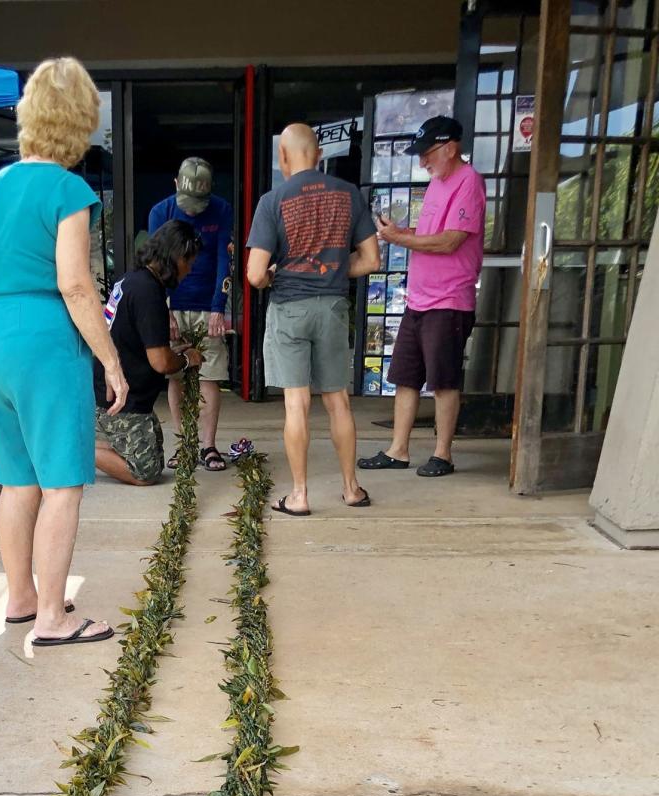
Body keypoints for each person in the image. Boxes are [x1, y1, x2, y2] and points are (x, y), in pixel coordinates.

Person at [0, 57, 128, 647]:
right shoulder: (69, 189)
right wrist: (111, 360)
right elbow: (76, 283)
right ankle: (54, 620)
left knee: (17, 480)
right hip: (44, 333)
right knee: (62, 482)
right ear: (79, 120)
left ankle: (21, 599)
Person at [246, 123, 380, 515]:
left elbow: (255, 275)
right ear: (318, 155)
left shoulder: (274, 201)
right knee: (337, 401)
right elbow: (371, 259)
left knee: (296, 405)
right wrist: (334, 271)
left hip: (289, 308)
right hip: (334, 308)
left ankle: (300, 495)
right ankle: (351, 488)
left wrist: (275, 274)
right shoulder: (349, 195)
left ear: (283, 157)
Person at [358, 116, 485, 478]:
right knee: (406, 376)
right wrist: (404, 232)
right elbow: (431, 233)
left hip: (449, 300)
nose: (422, 162)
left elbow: (451, 240)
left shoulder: (469, 182)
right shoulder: (438, 183)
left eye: (427, 154)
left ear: (450, 148)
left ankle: (442, 454)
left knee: (444, 380)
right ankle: (398, 449)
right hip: (419, 299)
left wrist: (401, 240)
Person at [95, 221, 204, 487]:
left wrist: (173, 351)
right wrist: (189, 358)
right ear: (176, 257)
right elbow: (160, 362)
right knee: (144, 473)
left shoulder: (132, 279)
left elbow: (137, 343)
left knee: (155, 454)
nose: (189, 271)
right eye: (188, 263)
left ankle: (94, 438)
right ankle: (76, 448)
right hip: (120, 400)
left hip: (115, 390)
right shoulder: (148, 292)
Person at [149, 158, 233, 474]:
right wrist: (165, 308)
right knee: (176, 375)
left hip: (206, 304)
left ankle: (208, 445)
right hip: (174, 304)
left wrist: (218, 307)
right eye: (189, 204)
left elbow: (225, 261)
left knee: (211, 375)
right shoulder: (162, 211)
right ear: (175, 185)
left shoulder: (222, 210)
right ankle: (184, 443)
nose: (194, 211)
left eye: (200, 204)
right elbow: (155, 265)